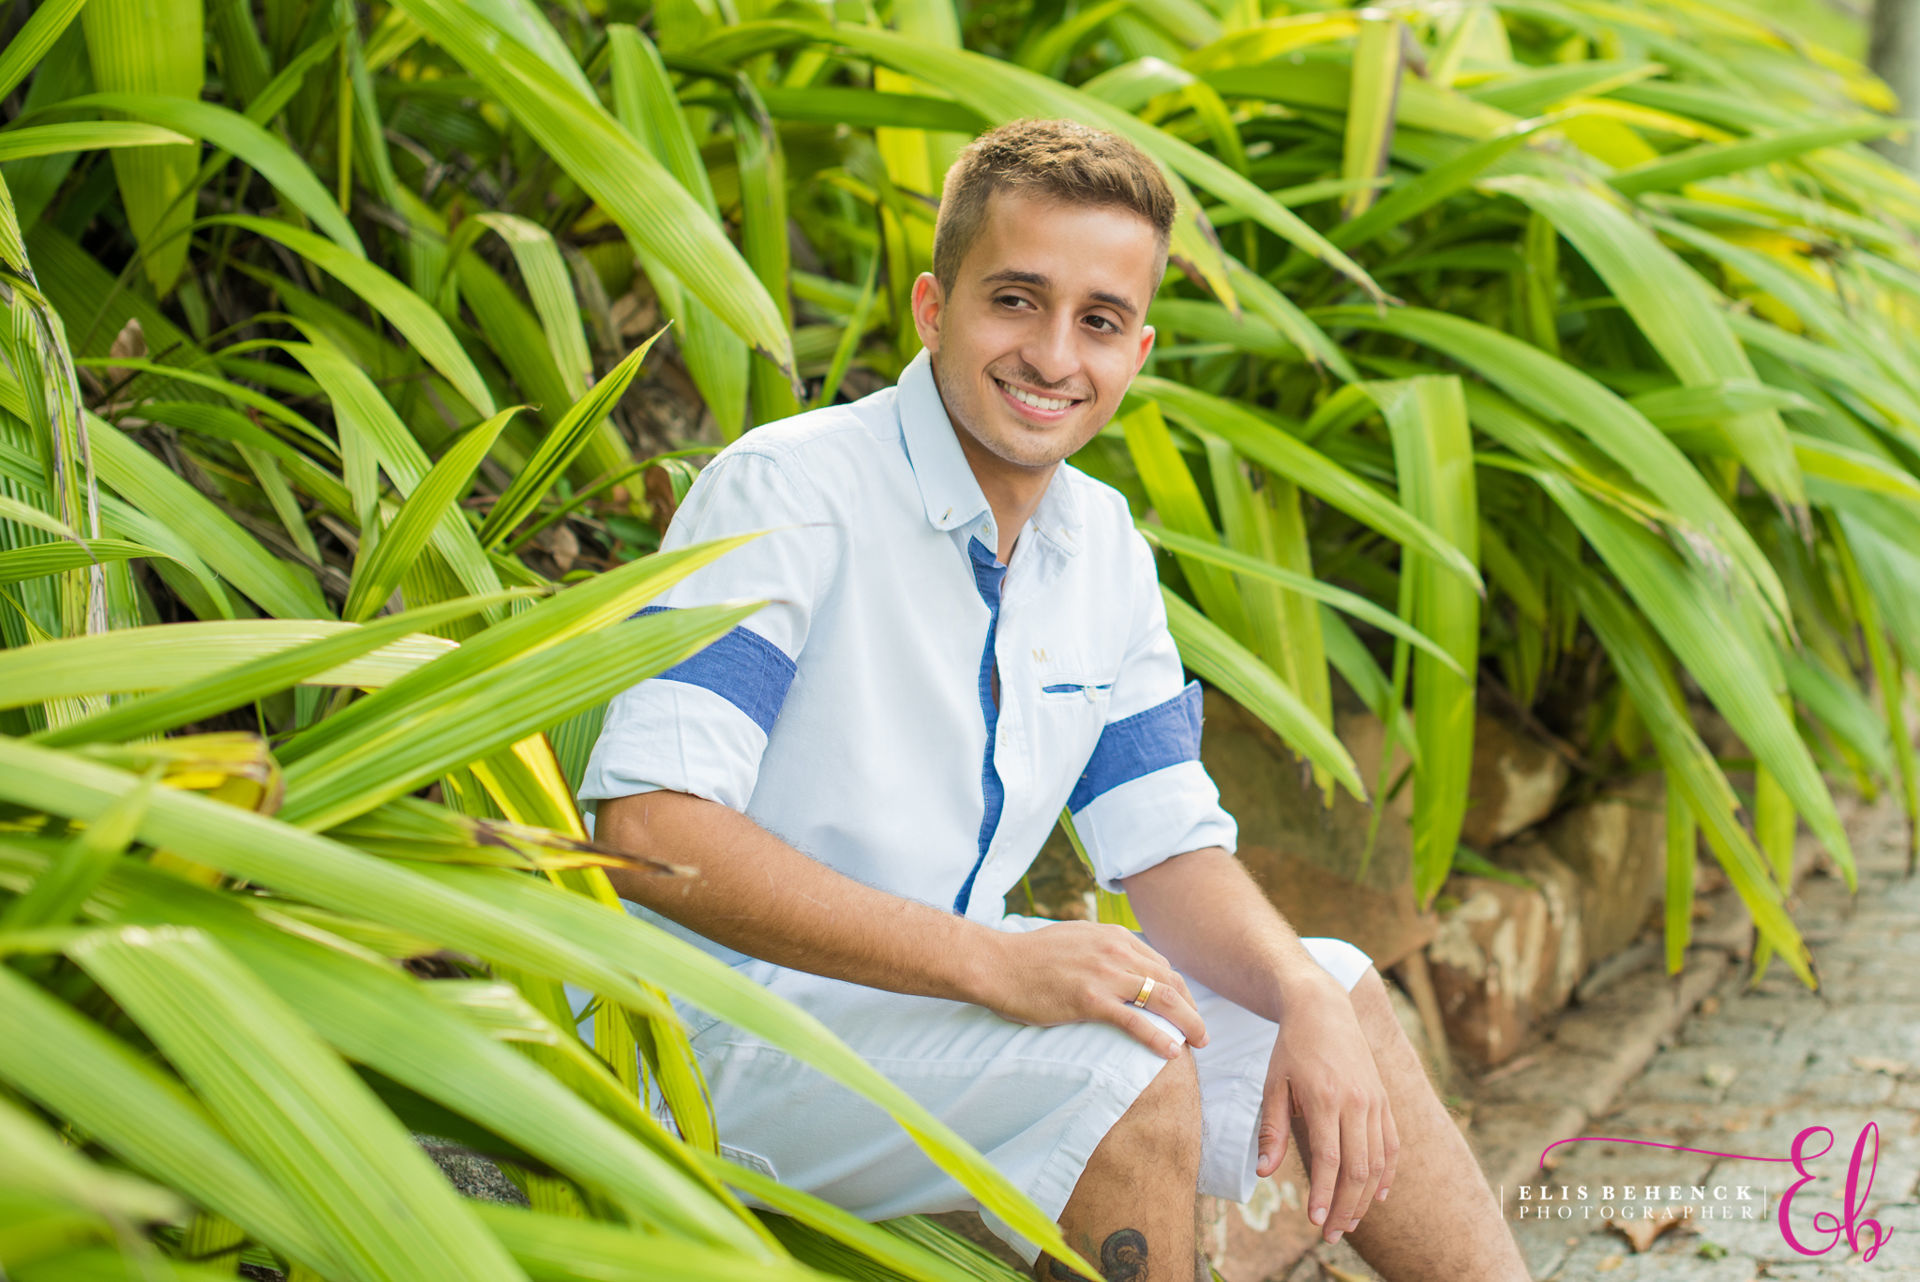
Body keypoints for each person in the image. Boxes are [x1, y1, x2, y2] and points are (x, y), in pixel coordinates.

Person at [579, 118, 1529, 1282]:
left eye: (1100, 321)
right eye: (1016, 300)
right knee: (1116, 1072)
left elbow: (1167, 845)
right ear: (934, 309)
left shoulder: (1101, 544)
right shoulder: (792, 491)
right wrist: (992, 965)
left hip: (918, 1008)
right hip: (708, 1036)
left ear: (1137, 350)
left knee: (1334, 994)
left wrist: (1294, 989)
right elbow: (646, 833)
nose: (1054, 355)